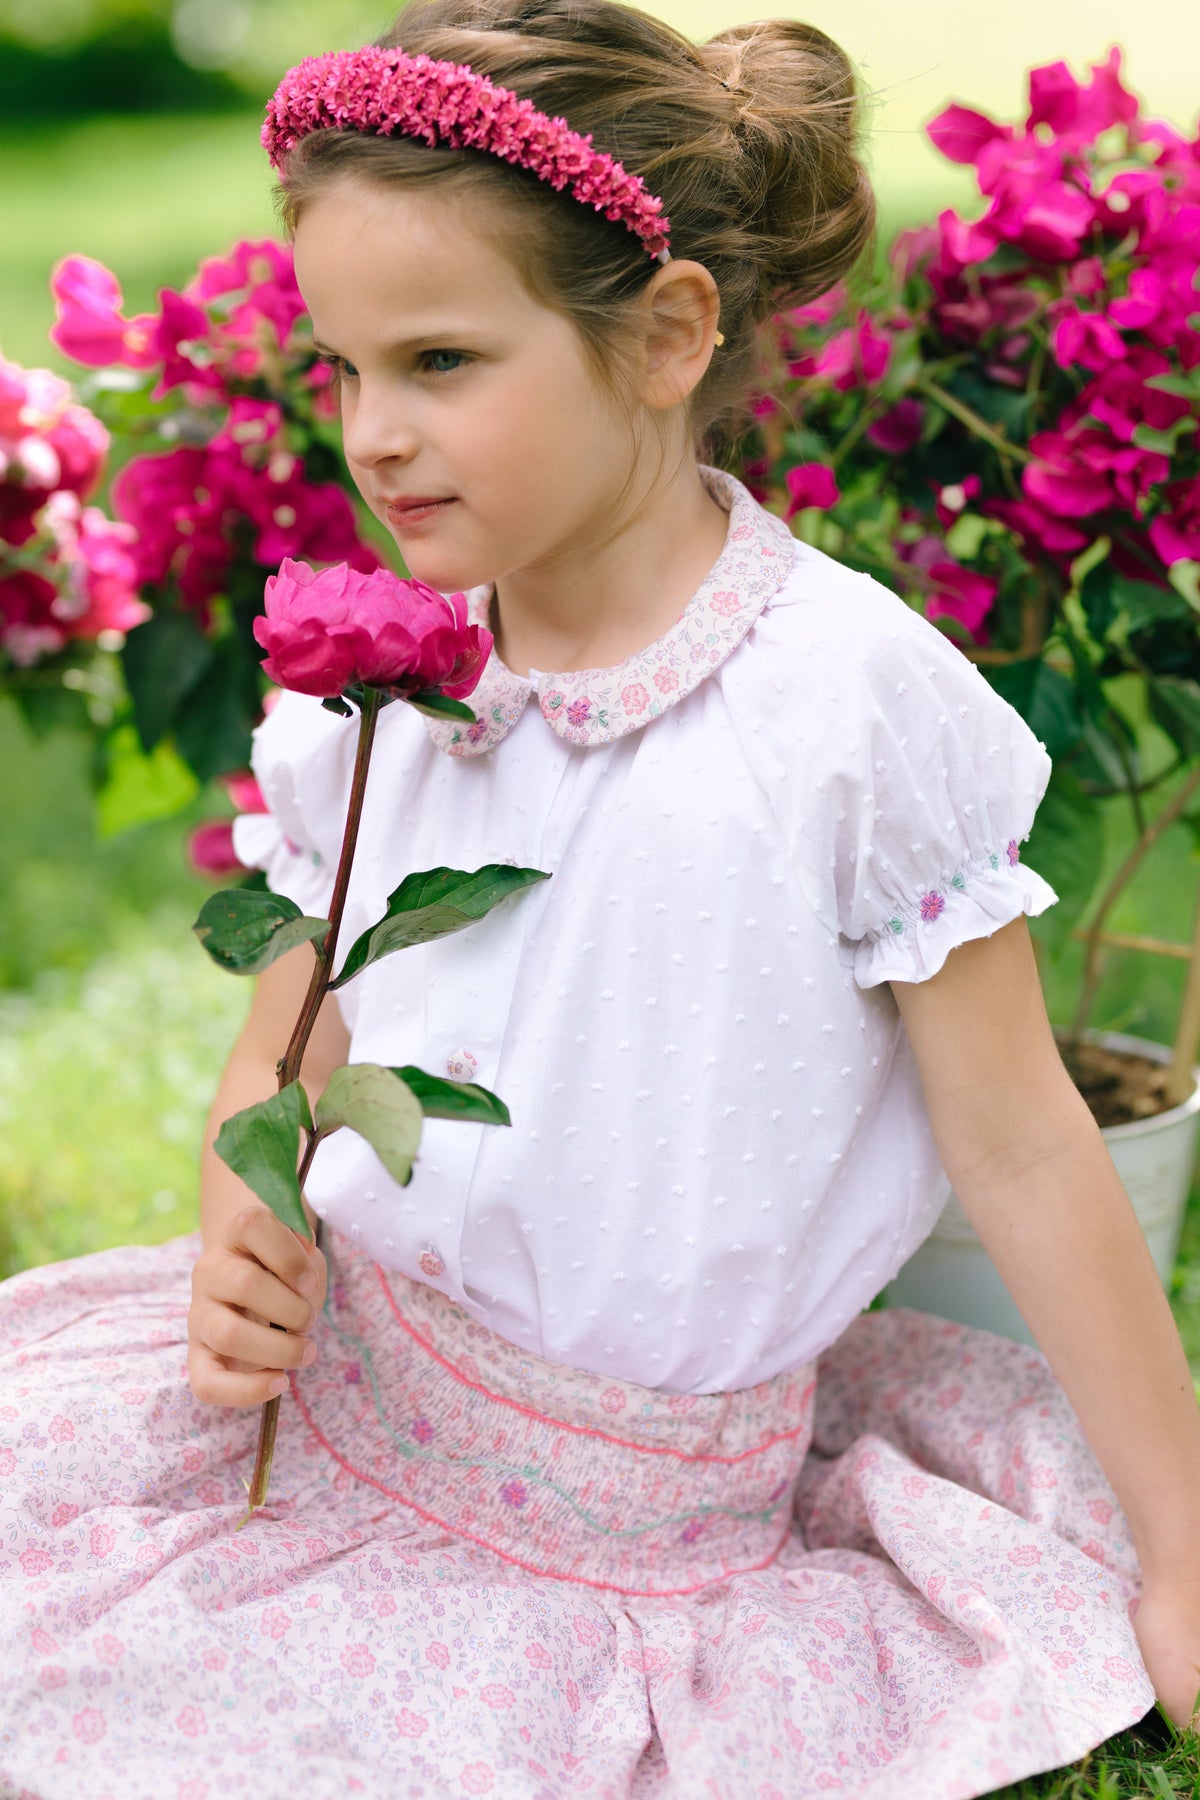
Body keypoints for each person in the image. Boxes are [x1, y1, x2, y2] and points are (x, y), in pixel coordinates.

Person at [2, 0, 1199, 1792]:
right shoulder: (379, 680)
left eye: (442, 363)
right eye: (341, 372)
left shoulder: (842, 706)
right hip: (351, 1402)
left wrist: (1184, 1556)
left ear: (663, 337)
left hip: (634, 1520)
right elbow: (289, 1048)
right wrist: (240, 1213)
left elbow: (1023, 1143)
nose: (374, 437)